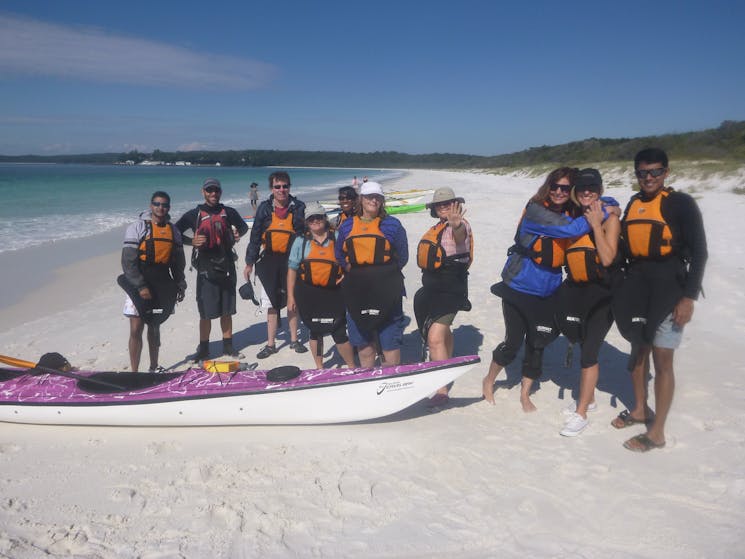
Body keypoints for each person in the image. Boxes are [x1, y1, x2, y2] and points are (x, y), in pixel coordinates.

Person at [482, 167, 606, 412]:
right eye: (555, 186)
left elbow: (595, 203)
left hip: (548, 290)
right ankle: (490, 380)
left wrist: (608, 205)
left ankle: (525, 393)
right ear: (547, 187)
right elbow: (571, 230)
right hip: (518, 287)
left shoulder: (570, 211)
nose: (559, 192)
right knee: (513, 342)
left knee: (538, 343)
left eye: (565, 188)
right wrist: (601, 213)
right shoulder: (536, 211)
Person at [611, 148, 707, 452]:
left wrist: (688, 298)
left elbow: (700, 252)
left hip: (670, 288)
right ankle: (641, 409)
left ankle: (658, 433)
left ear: (666, 172)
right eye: (642, 172)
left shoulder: (680, 204)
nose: (648, 178)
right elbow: (625, 247)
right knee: (638, 349)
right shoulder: (634, 203)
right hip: (638, 286)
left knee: (663, 359)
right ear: (637, 174)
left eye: (654, 172)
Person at [555, 169, 620, 436]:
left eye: (592, 187)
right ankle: (589, 398)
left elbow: (607, 259)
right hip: (576, 289)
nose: (586, 191)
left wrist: (596, 224)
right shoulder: (572, 215)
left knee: (590, 351)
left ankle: (581, 413)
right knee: (582, 342)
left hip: (601, 293)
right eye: (581, 187)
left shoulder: (610, 218)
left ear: (600, 189)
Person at [335, 181, 408, 368]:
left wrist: (382, 274)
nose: (373, 200)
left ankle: (391, 382)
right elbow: (339, 255)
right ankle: (368, 381)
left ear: (382, 200)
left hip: (387, 290)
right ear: (361, 199)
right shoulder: (347, 226)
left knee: (390, 344)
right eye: (369, 197)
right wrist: (354, 272)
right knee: (365, 346)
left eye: (377, 197)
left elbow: (403, 256)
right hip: (357, 291)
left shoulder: (393, 225)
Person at [175, 178, 248, 361]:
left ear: (220, 192)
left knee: (227, 310)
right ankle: (204, 349)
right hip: (205, 269)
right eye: (209, 190)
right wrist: (190, 241)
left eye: (216, 190)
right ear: (203, 192)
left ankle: (228, 347)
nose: (213, 193)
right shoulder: (194, 215)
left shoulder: (228, 212)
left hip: (227, 267)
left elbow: (244, 227)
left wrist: (237, 234)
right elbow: (174, 232)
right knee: (205, 312)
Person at [413, 187, 474, 407]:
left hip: (451, 289)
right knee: (443, 329)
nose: (444, 207)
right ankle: (446, 362)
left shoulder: (461, 225)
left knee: (435, 337)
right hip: (433, 288)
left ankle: (441, 390)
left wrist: (456, 224)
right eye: (440, 205)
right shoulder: (436, 227)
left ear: (456, 205)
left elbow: (460, 237)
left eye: (448, 204)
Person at [119, 191, 186, 372]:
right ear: (151, 206)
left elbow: (178, 262)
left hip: (162, 280)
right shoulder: (138, 227)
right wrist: (140, 286)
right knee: (136, 327)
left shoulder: (174, 231)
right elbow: (128, 261)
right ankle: (134, 371)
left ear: (169, 208)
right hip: (139, 280)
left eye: (164, 205)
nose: (160, 208)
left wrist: (180, 284)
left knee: (155, 325)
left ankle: (154, 367)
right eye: (157, 204)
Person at [243, 171, 307, 358]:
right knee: (271, 303)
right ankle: (270, 344)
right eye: (277, 186)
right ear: (272, 188)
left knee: (292, 301)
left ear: (289, 187)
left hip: (292, 260)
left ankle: (294, 340)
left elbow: (305, 235)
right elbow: (255, 237)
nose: (281, 190)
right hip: (269, 260)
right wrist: (249, 263)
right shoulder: (264, 209)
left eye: (285, 186)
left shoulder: (299, 207)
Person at [287, 202, 356, 369]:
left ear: (325, 218)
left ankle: (352, 367)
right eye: (311, 218)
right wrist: (290, 296)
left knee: (338, 330)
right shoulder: (300, 241)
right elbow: (292, 269)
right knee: (315, 331)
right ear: (306, 221)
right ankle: (320, 368)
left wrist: (346, 277)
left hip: (334, 292)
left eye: (319, 217)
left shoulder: (338, 237)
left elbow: (350, 261)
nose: (315, 221)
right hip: (308, 292)